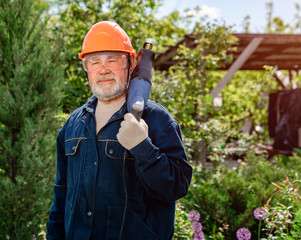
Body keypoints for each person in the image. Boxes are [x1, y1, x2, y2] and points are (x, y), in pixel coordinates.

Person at [46, 21, 193, 240]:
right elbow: (61, 196)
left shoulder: (157, 119)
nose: (103, 69)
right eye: (94, 62)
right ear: (86, 68)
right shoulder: (73, 124)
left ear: (131, 63)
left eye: (112, 60)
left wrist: (143, 148)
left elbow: (177, 187)